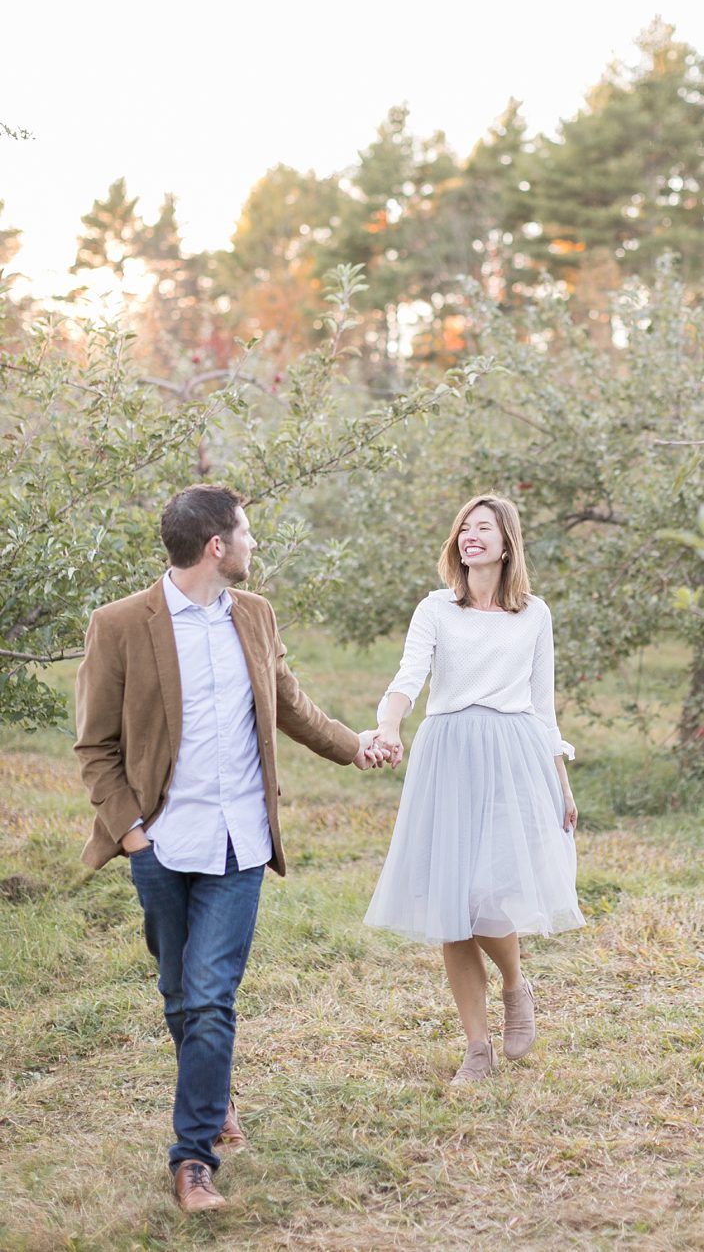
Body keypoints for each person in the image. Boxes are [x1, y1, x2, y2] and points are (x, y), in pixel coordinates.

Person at [71, 484, 396, 1215]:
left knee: (212, 997)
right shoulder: (121, 624)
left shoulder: (255, 615)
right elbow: (96, 746)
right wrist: (132, 835)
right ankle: (214, 1095)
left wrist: (356, 747)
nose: (254, 545)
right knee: (181, 996)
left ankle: (192, 1161)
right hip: (160, 843)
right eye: (246, 533)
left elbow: (288, 702)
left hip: (240, 841)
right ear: (216, 545)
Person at [361, 493, 582, 1084]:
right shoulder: (435, 608)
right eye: (464, 528)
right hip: (447, 754)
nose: (470, 536)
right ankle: (477, 1048)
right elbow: (408, 678)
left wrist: (562, 782)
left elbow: (543, 704)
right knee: (451, 904)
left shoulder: (534, 613)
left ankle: (515, 984)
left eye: (483, 528)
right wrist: (388, 725)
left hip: (513, 754)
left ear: (506, 542)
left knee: (489, 891)